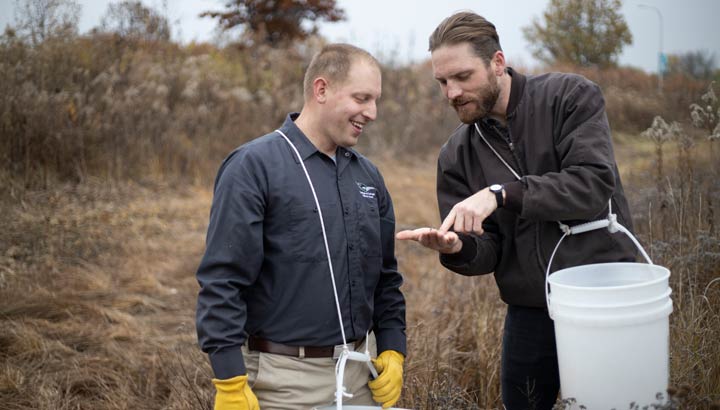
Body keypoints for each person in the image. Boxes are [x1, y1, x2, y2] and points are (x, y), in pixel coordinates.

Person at [396, 11, 637, 410]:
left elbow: (593, 184)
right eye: (442, 82)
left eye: (462, 77)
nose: (451, 92)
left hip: (603, 295)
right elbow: (489, 251)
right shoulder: (456, 154)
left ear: (497, 63)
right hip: (529, 312)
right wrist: (457, 249)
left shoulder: (569, 97)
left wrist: (501, 194)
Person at [196, 43, 406, 410]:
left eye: (376, 101)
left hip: (361, 375)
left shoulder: (368, 176)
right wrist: (229, 378)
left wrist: (393, 347)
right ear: (321, 89)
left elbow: (386, 277)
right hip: (282, 383)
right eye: (362, 98)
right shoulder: (253, 167)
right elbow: (222, 281)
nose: (372, 113)